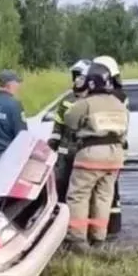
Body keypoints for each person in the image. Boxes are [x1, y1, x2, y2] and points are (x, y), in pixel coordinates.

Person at [62, 62, 128, 251]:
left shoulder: (86, 103)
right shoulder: (119, 103)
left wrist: (80, 97)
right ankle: (99, 238)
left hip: (91, 154)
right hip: (115, 155)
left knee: (79, 196)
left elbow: (70, 121)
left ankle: (77, 240)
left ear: (90, 83)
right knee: (104, 197)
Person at [92, 55, 126, 239]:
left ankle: (102, 229)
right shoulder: (121, 95)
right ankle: (111, 227)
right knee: (111, 191)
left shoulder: (107, 96)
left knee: (101, 192)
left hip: (99, 147)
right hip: (117, 148)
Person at [52, 59, 91, 203]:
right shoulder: (67, 100)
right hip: (65, 152)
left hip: (83, 151)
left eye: (79, 76)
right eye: (75, 76)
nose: (76, 79)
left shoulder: (93, 100)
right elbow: (58, 126)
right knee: (60, 184)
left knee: (80, 188)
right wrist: (52, 146)